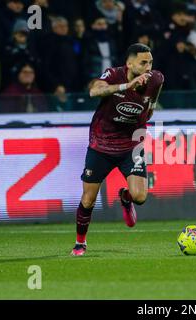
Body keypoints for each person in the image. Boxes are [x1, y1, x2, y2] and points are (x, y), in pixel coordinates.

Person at [71, 43, 164, 256]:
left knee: (139, 196)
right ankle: (80, 242)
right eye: (143, 62)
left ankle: (125, 197)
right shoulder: (114, 74)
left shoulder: (156, 79)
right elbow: (94, 91)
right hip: (101, 145)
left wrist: (145, 111)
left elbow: (151, 108)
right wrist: (126, 86)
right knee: (88, 199)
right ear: (129, 63)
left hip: (131, 144)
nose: (148, 67)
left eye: (150, 62)